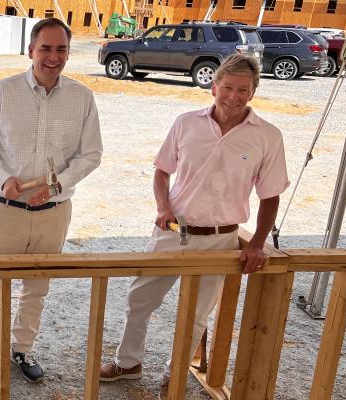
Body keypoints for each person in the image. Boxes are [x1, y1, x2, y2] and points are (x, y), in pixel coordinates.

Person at [99, 54, 289, 399]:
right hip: (173, 232)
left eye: (242, 89)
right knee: (139, 299)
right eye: (227, 87)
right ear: (214, 85)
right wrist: (163, 206)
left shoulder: (268, 136)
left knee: (197, 313)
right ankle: (128, 363)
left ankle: (174, 377)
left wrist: (257, 243)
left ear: (253, 91)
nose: (233, 96)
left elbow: (271, 195)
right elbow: (161, 170)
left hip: (220, 238)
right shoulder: (186, 123)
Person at [0, 18, 103, 386]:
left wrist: (57, 187)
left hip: (53, 212)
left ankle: (22, 347)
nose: (53, 57)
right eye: (45, 48)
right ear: (30, 51)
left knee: (37, 285)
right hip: (4, 210)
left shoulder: (82, 97)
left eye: (61, 49)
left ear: (69, 53)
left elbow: (91, 154)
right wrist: (3, 178)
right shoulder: (2, 92)